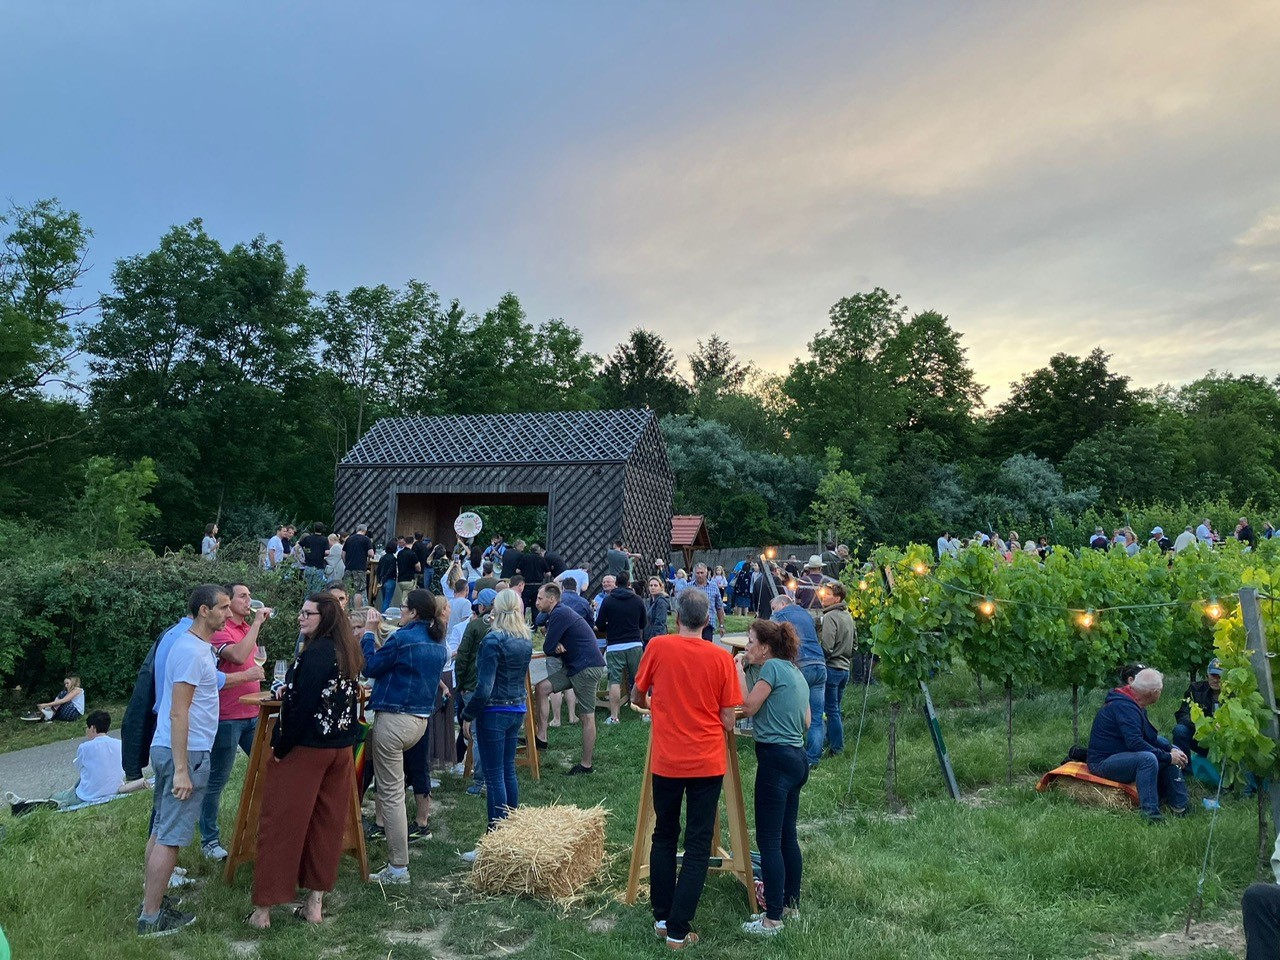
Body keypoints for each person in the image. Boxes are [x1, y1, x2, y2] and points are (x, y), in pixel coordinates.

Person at [631, 588, 742, 950]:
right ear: (707, 621)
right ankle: (678, 928)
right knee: (696, 844)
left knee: (664, 833)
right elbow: (728, 718)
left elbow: (637, 696)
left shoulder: (658, 647)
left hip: (667, 759)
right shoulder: (721, 658)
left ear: (676, 617)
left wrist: (658, 705)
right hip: (707, 760)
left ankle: (663, 917)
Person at [247, 592, 363, 928]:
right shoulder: (348, 650)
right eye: (301, 612)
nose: (301, 617)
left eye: (308, 613)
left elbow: (302, 708)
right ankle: (314, 905)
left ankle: (264, 910)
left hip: (308, 749)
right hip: (340, 748)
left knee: (280, 825)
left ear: (324, 617)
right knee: (325, 825)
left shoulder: (317, 653)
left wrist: (281, 746)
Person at [139, 584, 231, 937]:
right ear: (204, 611)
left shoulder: (193, 646)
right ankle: (150, 918)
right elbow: (179, 712)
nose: (227, 613)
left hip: (173, 748)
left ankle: (153, 901)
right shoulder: (193, 651)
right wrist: (181, 769)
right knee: (171, 837)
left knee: (161, 826)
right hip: (185, 752)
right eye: (222, 607)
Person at [359, 589, 451, 885]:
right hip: (420, 721)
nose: (399, 610)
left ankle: (398, 866)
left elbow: (370, 666)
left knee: (391, 794)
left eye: (404, 607)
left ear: (413, 613)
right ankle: (398, 860)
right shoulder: (438, 642)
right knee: (397, 787)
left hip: (394, 720)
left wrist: (368, 634)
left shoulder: (401, 638)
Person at [733, 619, 810, 936]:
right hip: (797, 758)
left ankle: (772, 919)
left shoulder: (772, 670)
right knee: (786, 837)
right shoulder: (796, 672)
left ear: (765, 648)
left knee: (768, 842)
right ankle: (789, 904)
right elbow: (806, 721)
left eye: (750, 642)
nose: (747, 647)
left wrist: (737, 669)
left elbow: (747, 707)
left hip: (775, 760)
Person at [199, 584, 273, 860]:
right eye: (243, 596)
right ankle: (209, 841)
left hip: (254, 715)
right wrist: (256, 623)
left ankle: (260, 829)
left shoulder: (244, 630)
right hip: (228, 718)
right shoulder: (221, 632)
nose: (249, 600)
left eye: (250, 596)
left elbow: (252, 664)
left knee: (268, 769)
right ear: (228, 603)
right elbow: (239, 657)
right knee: (217, 779)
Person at [460, 589, 534, 858]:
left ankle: (494, 841)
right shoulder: (525, 639)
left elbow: (484, 687)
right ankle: (510, 834)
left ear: (495, 609)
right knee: (508, 771)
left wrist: (468, 714)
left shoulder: (493, 641)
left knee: (494, 777)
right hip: (517, 707)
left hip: (494, 711)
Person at [1086, 668, 1188, 821]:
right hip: (1103, 762)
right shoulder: (1124, 707)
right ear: (1153, 693)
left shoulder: (1133, 702)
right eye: (1160, 691)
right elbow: (1135, 743)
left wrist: (1170, 749)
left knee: (1170, 750)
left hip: (1123, 754)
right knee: (1147, 759)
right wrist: (1167, 756)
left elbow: (1149, 737)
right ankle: (1151, 815)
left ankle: (1180, 806)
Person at [8, 711, 147, 812]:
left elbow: (81, 768)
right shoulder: (119, 744)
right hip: (113, 789)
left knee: (55, 798)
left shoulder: (85, 747)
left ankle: (24, 806)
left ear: (92, 728)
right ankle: (26, 802)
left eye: (87, 728)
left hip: (90, 795)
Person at [534, 582, 605, 773]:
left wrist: (554, 643)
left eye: (540, 599)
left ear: (552, 599)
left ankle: (586, 765)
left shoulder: (559, 613)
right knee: (542, 688)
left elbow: (548, 648)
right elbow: (543, 629)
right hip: (574, 666)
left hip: (586, 667)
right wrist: (555, 642)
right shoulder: (556, 613)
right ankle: (541, 736)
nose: (536, 602)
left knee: (587, 716)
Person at [770, 595, 827, 768]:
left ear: (783, 603)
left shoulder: (780, 616)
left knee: (793, 711)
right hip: (820, 663)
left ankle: (792, 751)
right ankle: (813, 758)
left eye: (773, 607)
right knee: (817, 715)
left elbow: (767, 634)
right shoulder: (806, 614)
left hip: (801, 664)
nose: (773, 611)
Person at [454, 588, 498, 796]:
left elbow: (462, 657)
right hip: (499, 688)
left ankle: (481, 781)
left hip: (474, 685)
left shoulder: (474, 626)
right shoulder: (505, 625)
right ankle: (496, 779)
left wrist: (461, 684)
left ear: (480, 606)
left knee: (479, 736)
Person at [597, 571, 647, 724]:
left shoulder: (608, 601)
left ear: (616, 584)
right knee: (639, 679)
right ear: (629, 584)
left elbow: (599, 624)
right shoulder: (638, 600)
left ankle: (614, 716)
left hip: (614, 645)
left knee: (615, 681)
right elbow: (642, 624)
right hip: (634, 643)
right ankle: (645, 713)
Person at [819, 583, 856, 757]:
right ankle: (832, 739)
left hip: (832, 667)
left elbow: (826, 645)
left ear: (837, 598)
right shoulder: (848, 616)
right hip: (845, 668)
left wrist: (822, 661)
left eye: (827, 594)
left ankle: (836, 748)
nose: (823, 596)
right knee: (836, 708)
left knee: (831, 710)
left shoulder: (830, 617)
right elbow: (855, 644)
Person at [1172, 658, 1222, 760]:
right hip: (1201, 737)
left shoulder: (1234, 693)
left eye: (1219, 676)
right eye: (1213, 675)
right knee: (1180, 730)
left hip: (1225, 739)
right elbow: (1182, 714)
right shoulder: (1195, 689)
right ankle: (1185, 770)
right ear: (1207, 675)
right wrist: (1202, 725)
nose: (1216, 680)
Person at [690, 563, 726, 642]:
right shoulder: (688, 587)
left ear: (706, 573)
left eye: (702, 573)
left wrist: (721, 625)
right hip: (692, 625)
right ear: (694, 573)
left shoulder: (713, 587)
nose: (700, 575)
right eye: (698, 573)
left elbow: (719, 607)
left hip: (708, 625)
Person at [342, 523, 375, 595]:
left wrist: (346, 563)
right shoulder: (366, 540)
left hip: (348, 568)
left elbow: (343, 554)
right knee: (359, 591)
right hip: (360, 569)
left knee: (347, 590)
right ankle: (358, 606)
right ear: (365, 531)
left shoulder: (349, 539)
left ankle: (348, 605)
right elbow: (371, 553)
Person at [298, 523, 330, 594]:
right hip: (319, 567)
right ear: (322, 530)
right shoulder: (324, 540)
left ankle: (306, 603)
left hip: (308, 566)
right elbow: (327, 552)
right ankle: (314, 604)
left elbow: (298, 546)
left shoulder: (308, 538)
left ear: (314, 529)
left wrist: (302, 555)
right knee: (317, 589)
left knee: (307, 588)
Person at [392, 536, 421, 609]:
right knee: (406, 600)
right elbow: (418, 568)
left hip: (400, 579)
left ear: (405, 542)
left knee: (402, 597)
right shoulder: (412, 554)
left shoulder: (399, 553)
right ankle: (403, 612)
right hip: (409, 580)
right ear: (413, 542)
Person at [644, 576, 672, 642]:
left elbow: (660, 622)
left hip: (656, 638)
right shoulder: (650, 601)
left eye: (655, 585)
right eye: (651, 585)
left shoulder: (661, 602)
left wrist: (657, 640)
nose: (653, 587)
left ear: (661, 587)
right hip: (648, 637)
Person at [375, 544, 398, 612]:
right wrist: (385, 578)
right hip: (390, 580)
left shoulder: (382, 558)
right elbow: (391, 570)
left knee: (384, 599)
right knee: (387, 600)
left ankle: (383, 614)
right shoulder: (393, 559)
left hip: (382, 580)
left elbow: (378, 570)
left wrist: (380, 580)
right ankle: (384, 616)